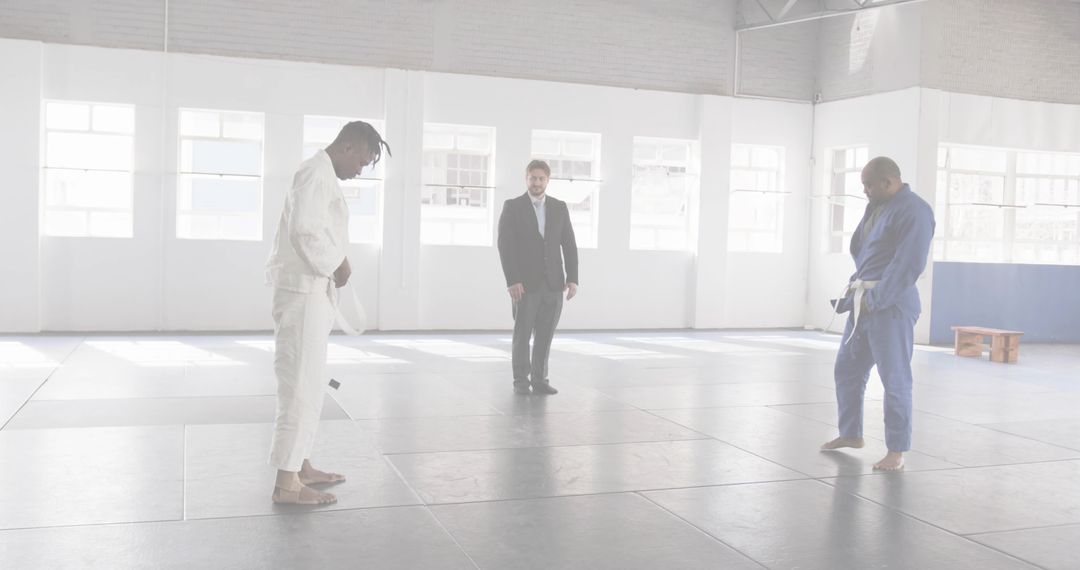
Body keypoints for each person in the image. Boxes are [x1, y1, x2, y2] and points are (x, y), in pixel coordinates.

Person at [265, 121, 390, 504]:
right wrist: (338, 263)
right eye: (363, 162)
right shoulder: (314, 172)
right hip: (303, 292)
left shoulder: (321, 175)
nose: (360, 171)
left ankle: (300, 464)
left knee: (312, 382)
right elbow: (305, 230)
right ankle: (286, 484)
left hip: (312, 293)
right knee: (299, 387)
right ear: (348, 146)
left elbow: (318, 227)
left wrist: (338, 260)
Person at [821, 156, 934, 471]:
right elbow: (867, 254)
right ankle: (850, 433)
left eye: (869, 184)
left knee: (894, 378)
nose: (865, 191)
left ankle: (896, 451)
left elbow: (908, 264)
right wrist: (855, 294)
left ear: (889, 181)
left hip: (891, 307)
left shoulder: (915, 211)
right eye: (863, 185)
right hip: (864, 304)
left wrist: (878, 298)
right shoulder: (877, 208)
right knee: (847, 369)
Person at [497, 160, 579, 396]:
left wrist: (573, 278)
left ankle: (540, 379)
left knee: (545, 333)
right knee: (522, 334)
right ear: (526, 179)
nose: (537, 182)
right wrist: (512, 280)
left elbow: (569, 245)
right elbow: (506, 246)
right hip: (525, 284)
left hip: (554, 283)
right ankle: (521, 381)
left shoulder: (560, 207)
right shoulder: (513, 207)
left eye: (541, 178)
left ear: (547, 180)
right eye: (533, 178)